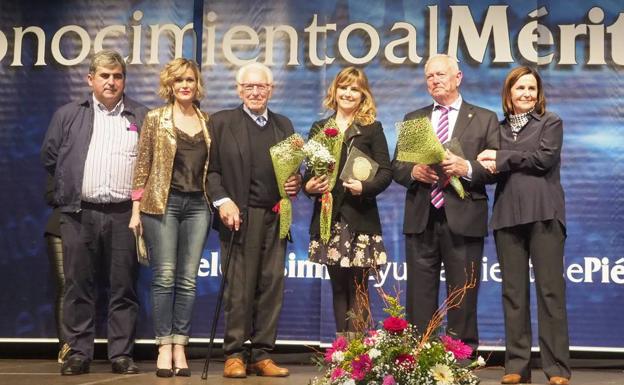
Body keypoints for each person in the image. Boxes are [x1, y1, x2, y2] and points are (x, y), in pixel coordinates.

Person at [41, 49, 148, 375]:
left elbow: (151, 166)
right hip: (78, 213)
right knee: (78, 286)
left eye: (117, 76)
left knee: (123, 287)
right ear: (91, 79)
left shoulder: (141, 116)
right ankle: (78, 353)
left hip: (124, 215)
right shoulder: (68, 114)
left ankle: (120, 354)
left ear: (124, 80)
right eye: (105, 75)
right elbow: (50, 157)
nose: (111, 82)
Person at [391, 54, 498, 351]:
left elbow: (496, 170)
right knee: (419, 295)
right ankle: (417, 355)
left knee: (462, 294)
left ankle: (460, 357)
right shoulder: (415, 119)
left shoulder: (485, 118)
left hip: (464, 219)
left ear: (458, 77)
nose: (435, 80)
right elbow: (397, 167)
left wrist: (468, 168)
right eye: (430, 77)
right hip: (422, 218)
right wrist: (413, 171)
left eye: (441, 74)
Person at [476, 66, 571, 385]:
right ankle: (516, 365)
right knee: (513, 293)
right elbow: (490, 170)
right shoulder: (497, 128)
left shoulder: (551, 122)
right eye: (520, 88)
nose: (526, 94)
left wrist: (501, 157)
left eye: (531, 88)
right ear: (509, 93)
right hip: (507, 217)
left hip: (544, 214)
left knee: (550, 293)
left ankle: (557, 368)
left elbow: (542, 159)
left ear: (538, 93)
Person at [207, 62, 301, 378]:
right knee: (239, 290)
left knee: (271, 287)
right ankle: (234, 354)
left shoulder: (284, 125)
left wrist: (295, 182)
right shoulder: (221, 122)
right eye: (249, 87)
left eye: (261, 87)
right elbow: (211, 173)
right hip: (238, 219)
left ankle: (262, 354)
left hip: (276, 218)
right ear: (239, 90)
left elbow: (292, 173)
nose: (255, 92)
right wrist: (224, 202)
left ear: (271, 90)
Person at [128, 58, 211, 378]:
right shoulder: (155, 118)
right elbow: (142, 165)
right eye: (179, 81)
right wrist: (136, 210)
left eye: (189, 79)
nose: (185, 85)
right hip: (161, 204)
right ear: (170, 85)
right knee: (164, 275)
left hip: (198, 206)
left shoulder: (207, 121)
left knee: (188, 279)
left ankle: (180, 344)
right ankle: (164, 344)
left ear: (196, 83)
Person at [304, 67, 392, 336]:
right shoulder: (320, 128)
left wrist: (363, 187)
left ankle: (359, 351)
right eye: (344, 87)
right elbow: (310, 173)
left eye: (355, 89)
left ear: (363, 94)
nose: (348, 93)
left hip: (361, 219)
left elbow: (386, 172)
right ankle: (342, 352)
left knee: (359, 287)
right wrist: (310, 186)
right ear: (335, 91)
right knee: (338, 286)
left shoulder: (371, 129)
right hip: (329, 219)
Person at [43, 176, 70, 364]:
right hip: (59, 226)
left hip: (92, 227)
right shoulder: (64, 158)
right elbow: (50, 195)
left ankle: (83, 345)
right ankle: (66, 346)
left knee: (84, 287)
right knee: (65, 285)